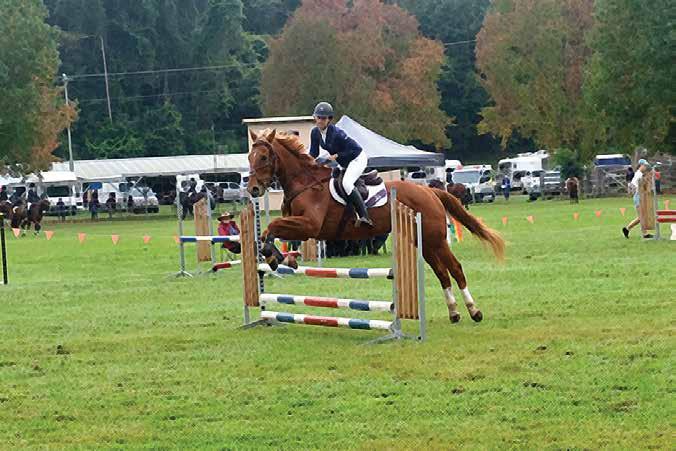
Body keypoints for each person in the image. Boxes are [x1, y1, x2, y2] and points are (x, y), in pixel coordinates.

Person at [308, 101, 374, 227]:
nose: (320, 120)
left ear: (329, 119)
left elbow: (353, 150)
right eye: (318, 117)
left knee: (346, 184)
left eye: (323, 118)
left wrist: (336, 156)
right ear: (315, 117)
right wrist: (306, 163)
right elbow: (313, 153)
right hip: (343, 162)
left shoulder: (337, 133)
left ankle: (364, 216)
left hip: (356, 158)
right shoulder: (315, 133)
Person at [622, 159, 653, 239]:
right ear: (641, 165)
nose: (646, 167)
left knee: (641, 217)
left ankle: (627, 229)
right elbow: (632, 185)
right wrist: (636, 191)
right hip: (638, 196)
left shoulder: (640, 174)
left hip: (640, 196)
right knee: (642, 216)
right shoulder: (638, 174)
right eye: (645, 166)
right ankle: (644, 234)